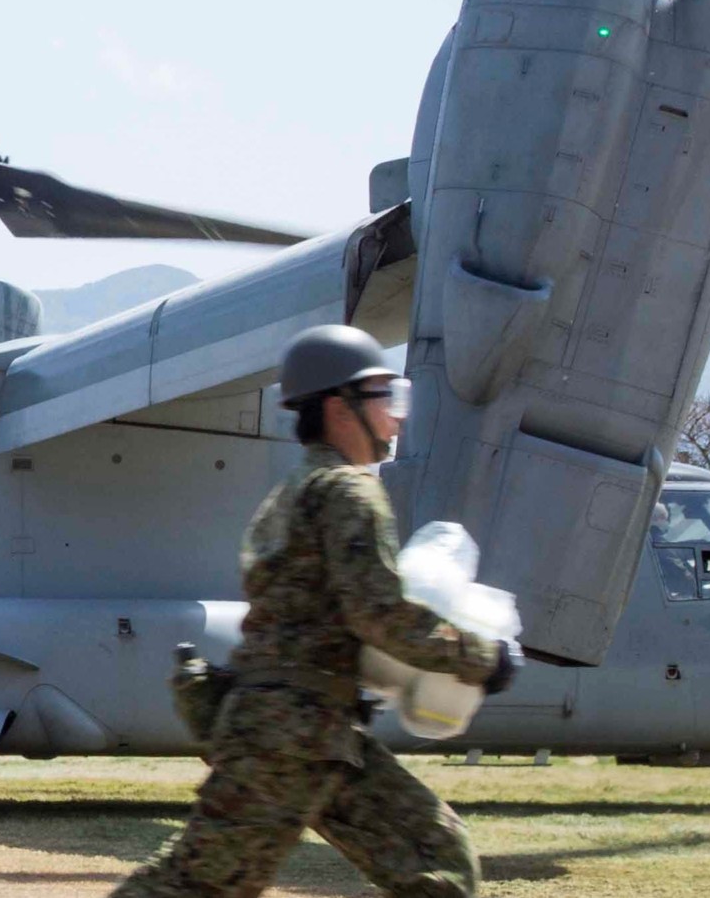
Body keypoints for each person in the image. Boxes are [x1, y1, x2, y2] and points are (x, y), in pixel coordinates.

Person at [113, 324, 521, 898]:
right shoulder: (347, 493)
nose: (397, 417)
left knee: (439, 861)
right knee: (194, 887)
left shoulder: (295, 492)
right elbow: (379, 613)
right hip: (289, 734)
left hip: (307, 728)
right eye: (387, 398)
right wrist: (483, 657)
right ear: (340, 406)